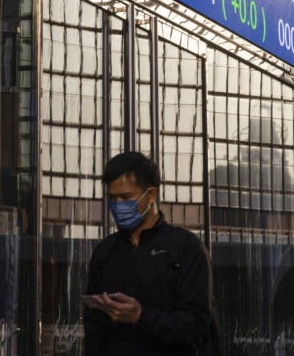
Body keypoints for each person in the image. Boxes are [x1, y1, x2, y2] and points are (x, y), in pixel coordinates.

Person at [83, 151, 219, 355]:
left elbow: (197, 326)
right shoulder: (106, 252)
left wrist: (140, 316)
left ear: (151, 195)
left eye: (126, 197)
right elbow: (94, 329)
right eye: (113, 198)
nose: (118, 205)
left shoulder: (185, 247)